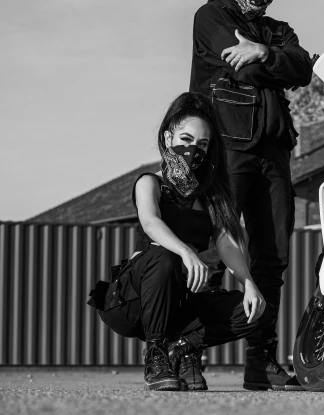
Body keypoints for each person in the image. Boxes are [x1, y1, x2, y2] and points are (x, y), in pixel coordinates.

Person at [189, 0, 313, 390]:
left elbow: (304, 68)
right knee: (211, 251)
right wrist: (270, 61)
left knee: (273, 258)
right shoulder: (212, 14)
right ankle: (186, 352)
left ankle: (261, 362)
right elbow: (236, 60)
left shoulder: (279, 31)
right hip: (226, 146)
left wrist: (263, 49)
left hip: (275, 154)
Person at [90, 92, 267, 391]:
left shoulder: (211, 197)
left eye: (202, 144)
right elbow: (150, 221)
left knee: (254, 309)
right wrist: (185, 250)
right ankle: (156, 354)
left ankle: (182, 347)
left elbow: (227, 243)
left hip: (180, 300)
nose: (192, 149)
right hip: (134, 302)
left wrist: (248, 282)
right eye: (185, 139)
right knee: (165, 256)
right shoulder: (150, 183)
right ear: (169, 137)